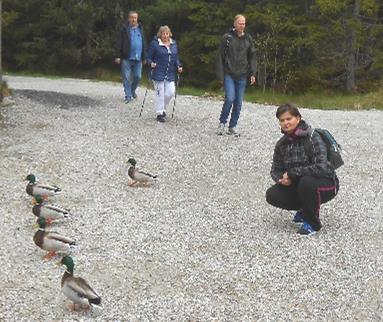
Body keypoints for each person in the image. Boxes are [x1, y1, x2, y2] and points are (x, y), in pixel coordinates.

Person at [266, 104, 340, 235]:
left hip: (327, 183)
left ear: (298, 118)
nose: (285, 123)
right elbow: (275, 170)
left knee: (307, 182)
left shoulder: (312, 137)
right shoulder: (281, 144)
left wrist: (292, 173)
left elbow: (322, 167)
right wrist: (281, 179)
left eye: (289, 119)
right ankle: (306, 209)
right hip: (299, 184)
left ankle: (312, 223)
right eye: (282, 120)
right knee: (272, 194)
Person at [216, 14, 257, 137]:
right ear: (234, 24)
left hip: (242, 75)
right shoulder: (227, 38)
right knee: (230, 98)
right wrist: (220, 76)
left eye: (244, 23)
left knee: (238, 103)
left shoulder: (248, 39)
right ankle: (222, 123)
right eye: (240, 23)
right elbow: (219, 57)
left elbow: (253, 56)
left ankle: (232, 126)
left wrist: (253, 73)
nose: (242, 25)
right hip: (229, 73)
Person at [146, 25, 182, 122]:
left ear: (169, 34)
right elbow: (148, 57)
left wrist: (179, 65)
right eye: (163, 34)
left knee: (170, 92)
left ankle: (162, 107)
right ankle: (160, 113)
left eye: (167, 33)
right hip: (158, 72)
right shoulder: (155, 44)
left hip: (170, 73)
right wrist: (151, 63)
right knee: (159, 93)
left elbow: (176, 58)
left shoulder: (173, 44)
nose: (165, 36)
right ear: (160, 35)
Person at [115, 11, 146, 103]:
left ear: (137, 19)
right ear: (128, 19)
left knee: (138, 77)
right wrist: (117, 55)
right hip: (126, 58)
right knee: (127, 78)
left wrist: (144, 57)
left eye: (135, 18)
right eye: (132, 17)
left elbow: (144, 43)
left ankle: (132, 91)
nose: (133, 19)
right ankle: (128, 96)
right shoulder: (124, 29)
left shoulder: (141, 29)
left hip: (138, 58)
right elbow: (119, 42)